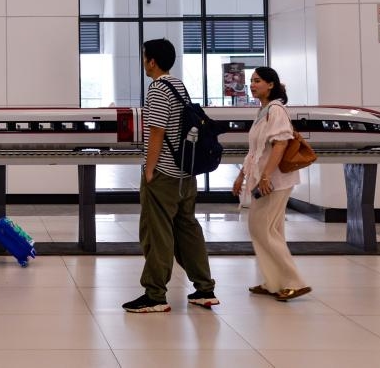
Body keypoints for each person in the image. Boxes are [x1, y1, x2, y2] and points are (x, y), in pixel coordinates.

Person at [123, 38, 218, 313]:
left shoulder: (157, 89)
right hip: (186, 173)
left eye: (144, 57)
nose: (143, 62)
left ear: (152, 61)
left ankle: (155, 295)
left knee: (157, 232)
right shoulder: (179, 85)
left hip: (164, 173)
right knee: (188, 229)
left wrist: (149, 169)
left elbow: (157, 131)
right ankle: (205, 289)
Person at [233, 67, 311, 302]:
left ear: (271, 84)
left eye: (257, 81)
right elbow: (255, 150)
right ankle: (274, 282)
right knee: (271, 230)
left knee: (261, 229)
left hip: (274, 181)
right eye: (251, 81)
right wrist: (242, 175)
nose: (252, 85)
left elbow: (281, 144)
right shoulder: (263, 111)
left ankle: (295, 282)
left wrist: (266, 176)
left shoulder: (276, 110)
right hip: (264, 179)